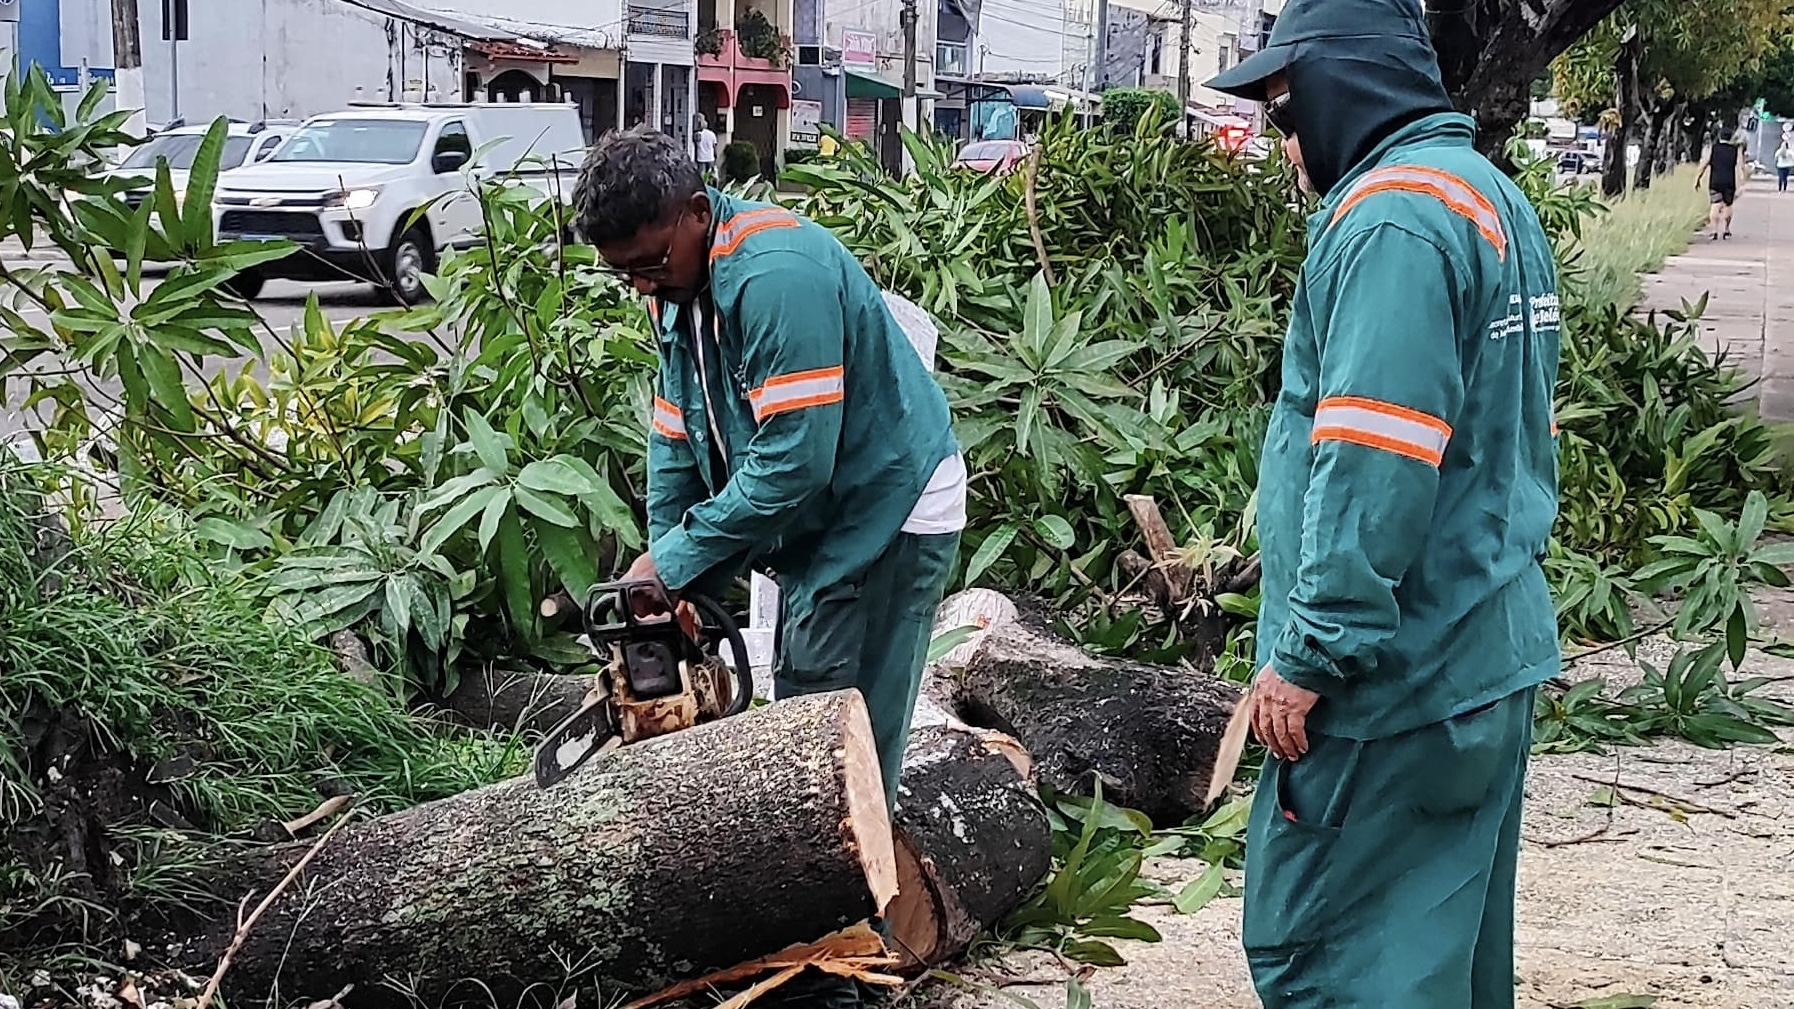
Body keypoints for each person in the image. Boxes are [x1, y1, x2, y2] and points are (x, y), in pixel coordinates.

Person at [1204, 1, 1562, 1007]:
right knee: (1440, 956)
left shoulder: (1392, 219)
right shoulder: (1484, 194)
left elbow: (1377, 457)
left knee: (1328, 954)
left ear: (1341, 87)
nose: (1284, 147)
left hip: (1392, 683)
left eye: (1285, 115)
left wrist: (1310, 654)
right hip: (1480, 651)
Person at [570, 127, 965, 1009]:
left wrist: (672, 562)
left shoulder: (772, 272)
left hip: (886, 506)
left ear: (695, 213)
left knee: (834, 734)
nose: (639, 282)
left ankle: (840, 967)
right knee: (797, 713)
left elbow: (793, 462)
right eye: (622, 269)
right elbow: (674, 444)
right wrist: (672, 578)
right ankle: (807, 937)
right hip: (818, 523)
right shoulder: (675, 289)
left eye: (646, 260)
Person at [1696, 129, 1745, 239]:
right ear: (1731, 137)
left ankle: (1714, 230)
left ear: (1719, 136)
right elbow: (1740, 166)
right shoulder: (1735, 150)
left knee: (1715, 205)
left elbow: (1704, 164)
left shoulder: (1713, 149)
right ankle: (1726, 229)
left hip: (1715, 181)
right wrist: (1742, 182)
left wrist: (1698, 178)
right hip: (1729, 181)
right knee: (1728, 205)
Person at [693, 114, 718, 180]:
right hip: (710, 157)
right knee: (711, 175)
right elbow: (714, 146)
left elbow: (696, 143)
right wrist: (715, 156)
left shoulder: (697, 135)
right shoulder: (712, 134)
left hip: (701, 157)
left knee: (701, 175)